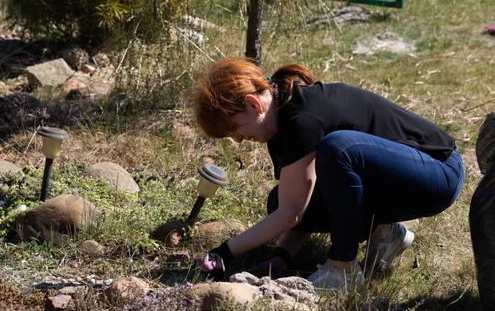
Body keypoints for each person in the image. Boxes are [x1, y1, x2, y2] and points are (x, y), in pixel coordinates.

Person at [193, 57, 464, 292]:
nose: (237, 140)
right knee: (278, 200)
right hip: (401, 178)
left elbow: (292, 214)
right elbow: (297, 204)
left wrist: (222, 253)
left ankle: (342, 271)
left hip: (437, 171)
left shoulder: (301, 119)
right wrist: (283, 255)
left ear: (253, 104)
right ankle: (385, 234)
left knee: (339, 149)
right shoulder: (280, 119)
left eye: (233, 128)